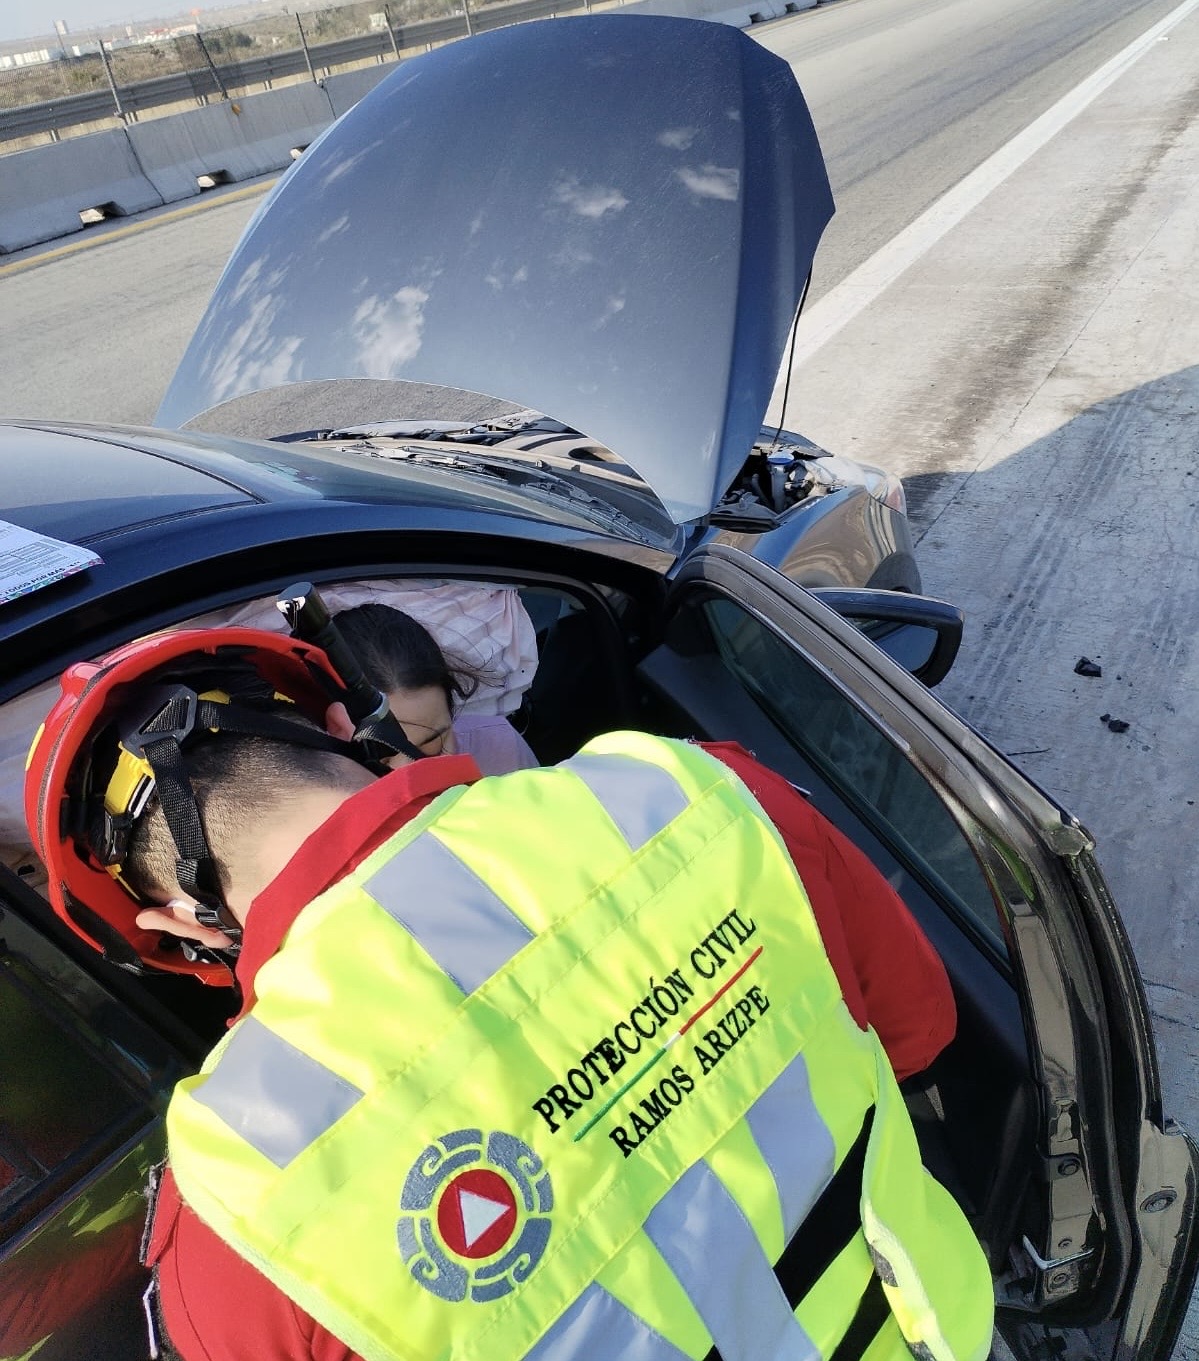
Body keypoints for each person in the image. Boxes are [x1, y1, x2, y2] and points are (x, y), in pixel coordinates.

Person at [25, 628, 994, 1361]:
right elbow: (918, 1026)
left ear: (179, 929)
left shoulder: (238, 1192)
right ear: (345, 728)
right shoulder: (687, 793)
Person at [331, 602, 538, 776]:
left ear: (451, 708)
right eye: (380, 758)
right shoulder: (320, 794)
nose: (408, 776)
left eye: (432, 748)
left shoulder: (499, 750)